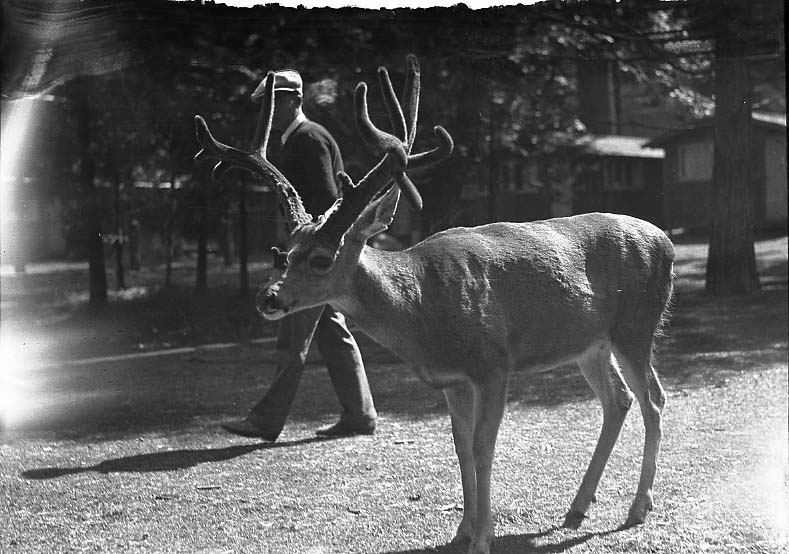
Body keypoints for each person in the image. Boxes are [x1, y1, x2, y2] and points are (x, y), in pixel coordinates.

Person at [222, 69, 377, 441]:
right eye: (264, 106)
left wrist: (304, 251)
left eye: (275, 103)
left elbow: (327, 200)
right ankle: (360, 415)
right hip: (314, 255)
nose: (269, 112)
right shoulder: (298, 139)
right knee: (332, 332)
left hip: (313, 260)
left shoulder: (308, 138)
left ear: (294, 100)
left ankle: (265, 420)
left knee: (293, 336)